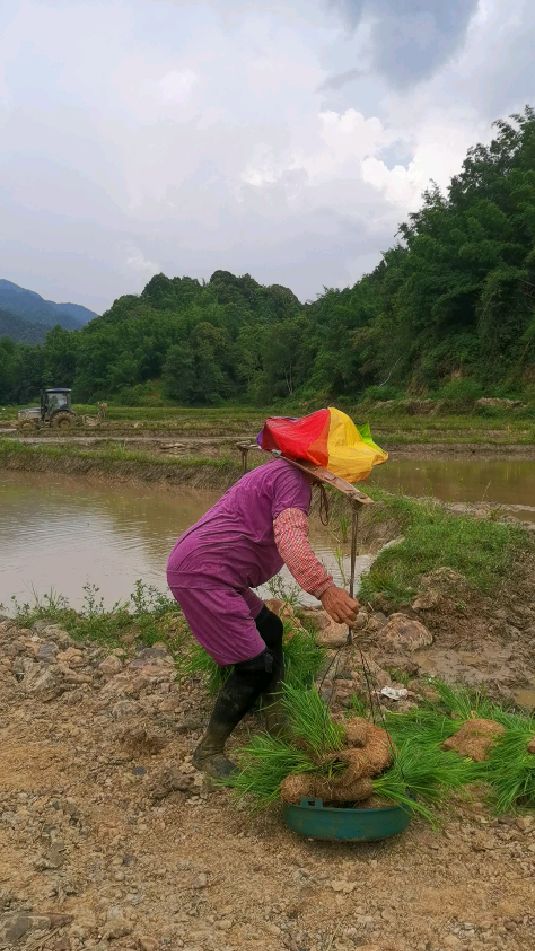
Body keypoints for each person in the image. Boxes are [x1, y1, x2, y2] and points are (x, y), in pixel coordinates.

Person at [166, 456, 359, 779]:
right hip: (205, 574)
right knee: (253, 665)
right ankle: (209, 751)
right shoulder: (293, 482)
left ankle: (275, 718)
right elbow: (291, 541)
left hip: (215, 570)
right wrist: (326, 590)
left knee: (271, 628)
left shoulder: (283, 471)